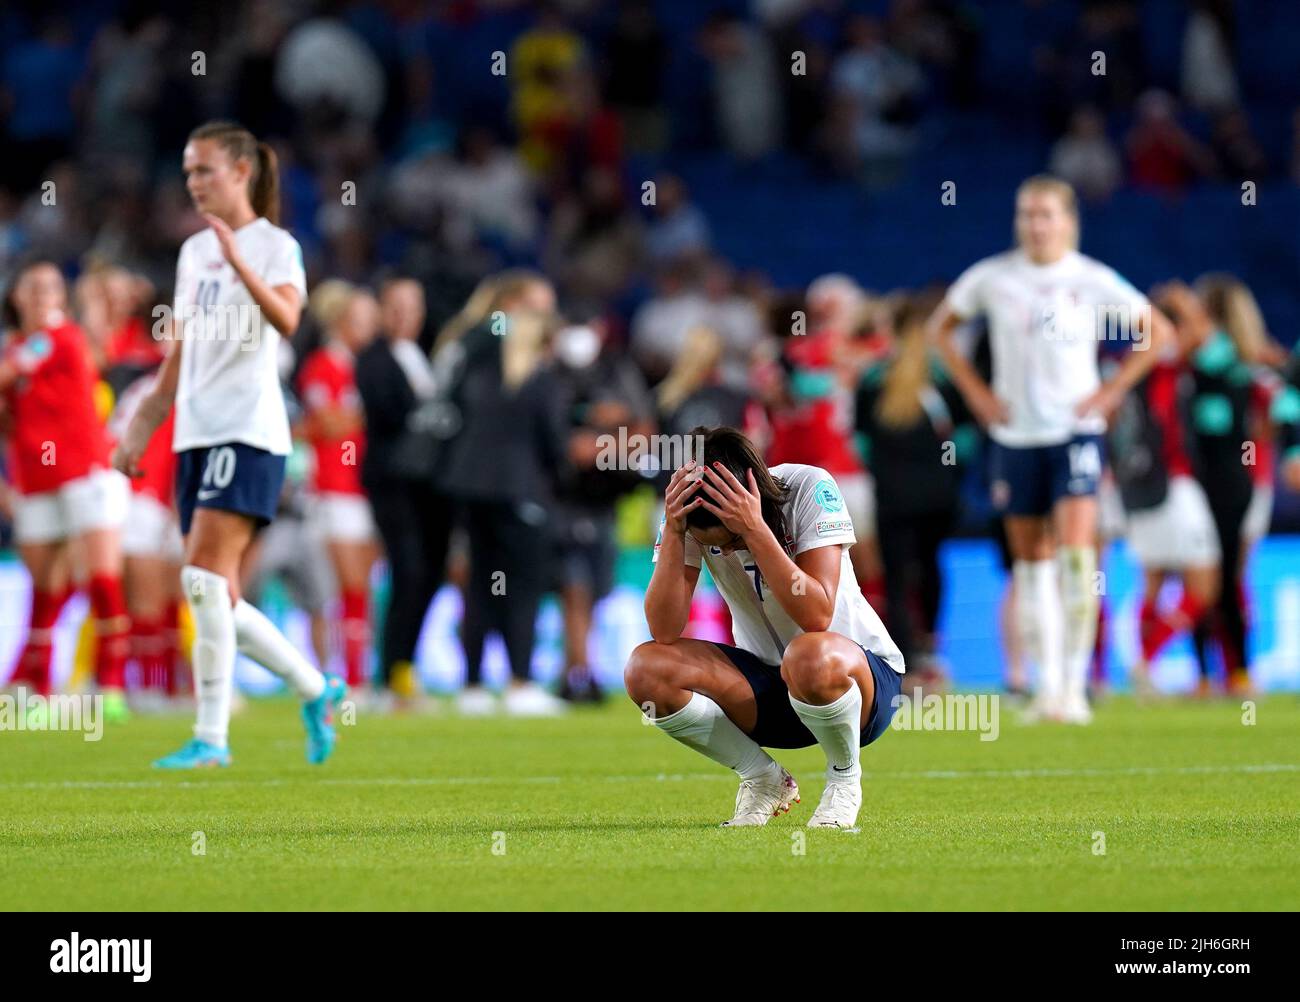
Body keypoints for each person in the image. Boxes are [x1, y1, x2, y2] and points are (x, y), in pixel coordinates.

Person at [113, 120, 343, 768]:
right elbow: (180, 356)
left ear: (241, 172)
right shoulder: (191, 255)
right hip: (195, 431)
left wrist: (239, 259)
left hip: (249, 428)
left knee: (201, 579)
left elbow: (289, 319)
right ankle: (314, 687)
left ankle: (211, 739)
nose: (193, 183)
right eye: (188, 172)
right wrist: (141, 428)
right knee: (218, 593)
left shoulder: (274, 246)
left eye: (205, 170)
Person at [930, 175, 1172, 723]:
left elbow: (1157, 331)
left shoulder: (1089, 279)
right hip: (1016, 436)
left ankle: (1072, 687)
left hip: (1075, 432)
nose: (1035, 224)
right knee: (1030, 563)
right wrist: (978, 395)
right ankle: (1044, 689)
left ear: (1068, 221)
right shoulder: (994, 278)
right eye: (1026, 214)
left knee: (1078, 555)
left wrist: (1111, 391)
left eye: (1045, 214)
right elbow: (938, 330)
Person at [625, 426, 905, 830]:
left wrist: (755, 531)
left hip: (855, 685)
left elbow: (817, 615)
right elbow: (664, 629)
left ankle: (844, 778)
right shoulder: (687, 512)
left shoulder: (809, 486)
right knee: (646, 668)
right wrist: (673, 529)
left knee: (808, 654)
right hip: (769, 691)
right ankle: (763, 778)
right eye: (720, 544)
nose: (732, 549)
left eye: (733, 538)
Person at [0, 259, 131, 719]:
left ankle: (111, 688)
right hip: (36, 479)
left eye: (50, 288)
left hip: (85, 472)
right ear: (16, 296)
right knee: (44, 589)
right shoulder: (19, 348)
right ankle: (39, 690)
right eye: (32, 287)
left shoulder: (59, 338)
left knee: (102, 578)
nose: (40, 295)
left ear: (60, 298)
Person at [436, 271, 570, 716]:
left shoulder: (477, 361)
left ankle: (472, 685)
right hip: (520, 490)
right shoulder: (536, 376)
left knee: (480, 586)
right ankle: (519, 681)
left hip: (469, 486)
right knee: (523, 589)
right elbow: (555, 444)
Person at [855, 297, 974, 689]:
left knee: (895, 575)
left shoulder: (874, 380)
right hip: (938, 496)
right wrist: (947, 470)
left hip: (893, 495)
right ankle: (929, 651)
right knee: (930, 566)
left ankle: (901, 663)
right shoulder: (944, 379)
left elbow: (861, 443)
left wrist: (889, 469)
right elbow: (967, 439)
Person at [1109, 283, 1222, 694]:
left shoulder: (1132, 360)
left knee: (1154, 579)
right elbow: (1200, 333)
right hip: (1171, 483)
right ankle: (1146, 659)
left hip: (1138, 485)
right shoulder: (1160, 356)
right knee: (1204, 583)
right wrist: (1179, 300)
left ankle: (1144, 671)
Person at [354, 276, 453, 703]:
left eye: (412, 306)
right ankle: (389, 672)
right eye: (395, 306)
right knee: (408, 571)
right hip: (394, 484)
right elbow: (390, 414)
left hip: (427, 487)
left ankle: (402, 668)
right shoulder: (374, 359)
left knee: (428, 575)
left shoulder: (421, 356)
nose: (404, 315)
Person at [297, 282, 380, 693]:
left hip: (362, 490)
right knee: (345, 588)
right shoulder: (324, 365)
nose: (371, 327)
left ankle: (354, 677)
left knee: (358, 591)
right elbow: (326, 422)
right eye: (362, 319)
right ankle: (342, 678)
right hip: (333, 489)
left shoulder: (363, 366)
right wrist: (378, 413)